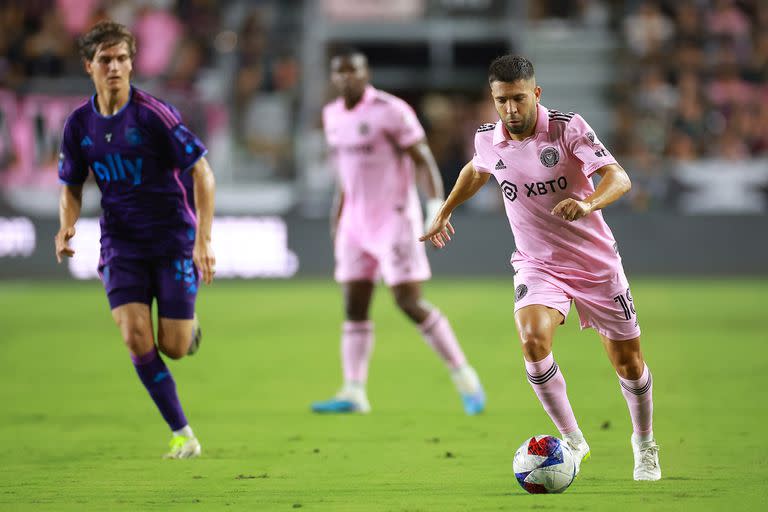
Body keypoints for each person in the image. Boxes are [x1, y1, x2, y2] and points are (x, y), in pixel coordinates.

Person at [422, 55, 661, 481]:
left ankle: (644, 444)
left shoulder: (568, 128)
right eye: (501, 101)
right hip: (537, 264)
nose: (510, 109)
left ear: (535, 94)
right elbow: (477, 171)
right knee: (532, 341)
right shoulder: (487, 138)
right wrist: (445, 210)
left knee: (629, 363)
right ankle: (572, 441)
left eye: (517, 98)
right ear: (493, 100)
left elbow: (619, 178)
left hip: (595, 264)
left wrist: (587, 203)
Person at [54, 21, 215, 459]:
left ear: (132, 63)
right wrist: (66, 223)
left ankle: (189, 328)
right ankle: (182, 432)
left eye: (123, 59)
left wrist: (203, 240)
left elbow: (202, 171)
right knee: (134, 335)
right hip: (121, 245)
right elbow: (71, 183)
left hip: (171, 242)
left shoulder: (153, 115)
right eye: (105, 60)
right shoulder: (78, 125)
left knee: (175, 347)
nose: (115, 67)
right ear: (89, 66)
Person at [312, 48, 485, 415]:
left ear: (365, 73)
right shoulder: (331, 115)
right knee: (354, 305)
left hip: (394, 219)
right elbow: (347, 175)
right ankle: (354, 390)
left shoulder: (391, 110)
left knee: (407, 301)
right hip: (354, 224)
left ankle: (465, 377)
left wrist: (433, 207)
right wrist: (338, 219)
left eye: (352, 71)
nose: (346, 78)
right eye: (339, 73)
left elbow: (422, 158)